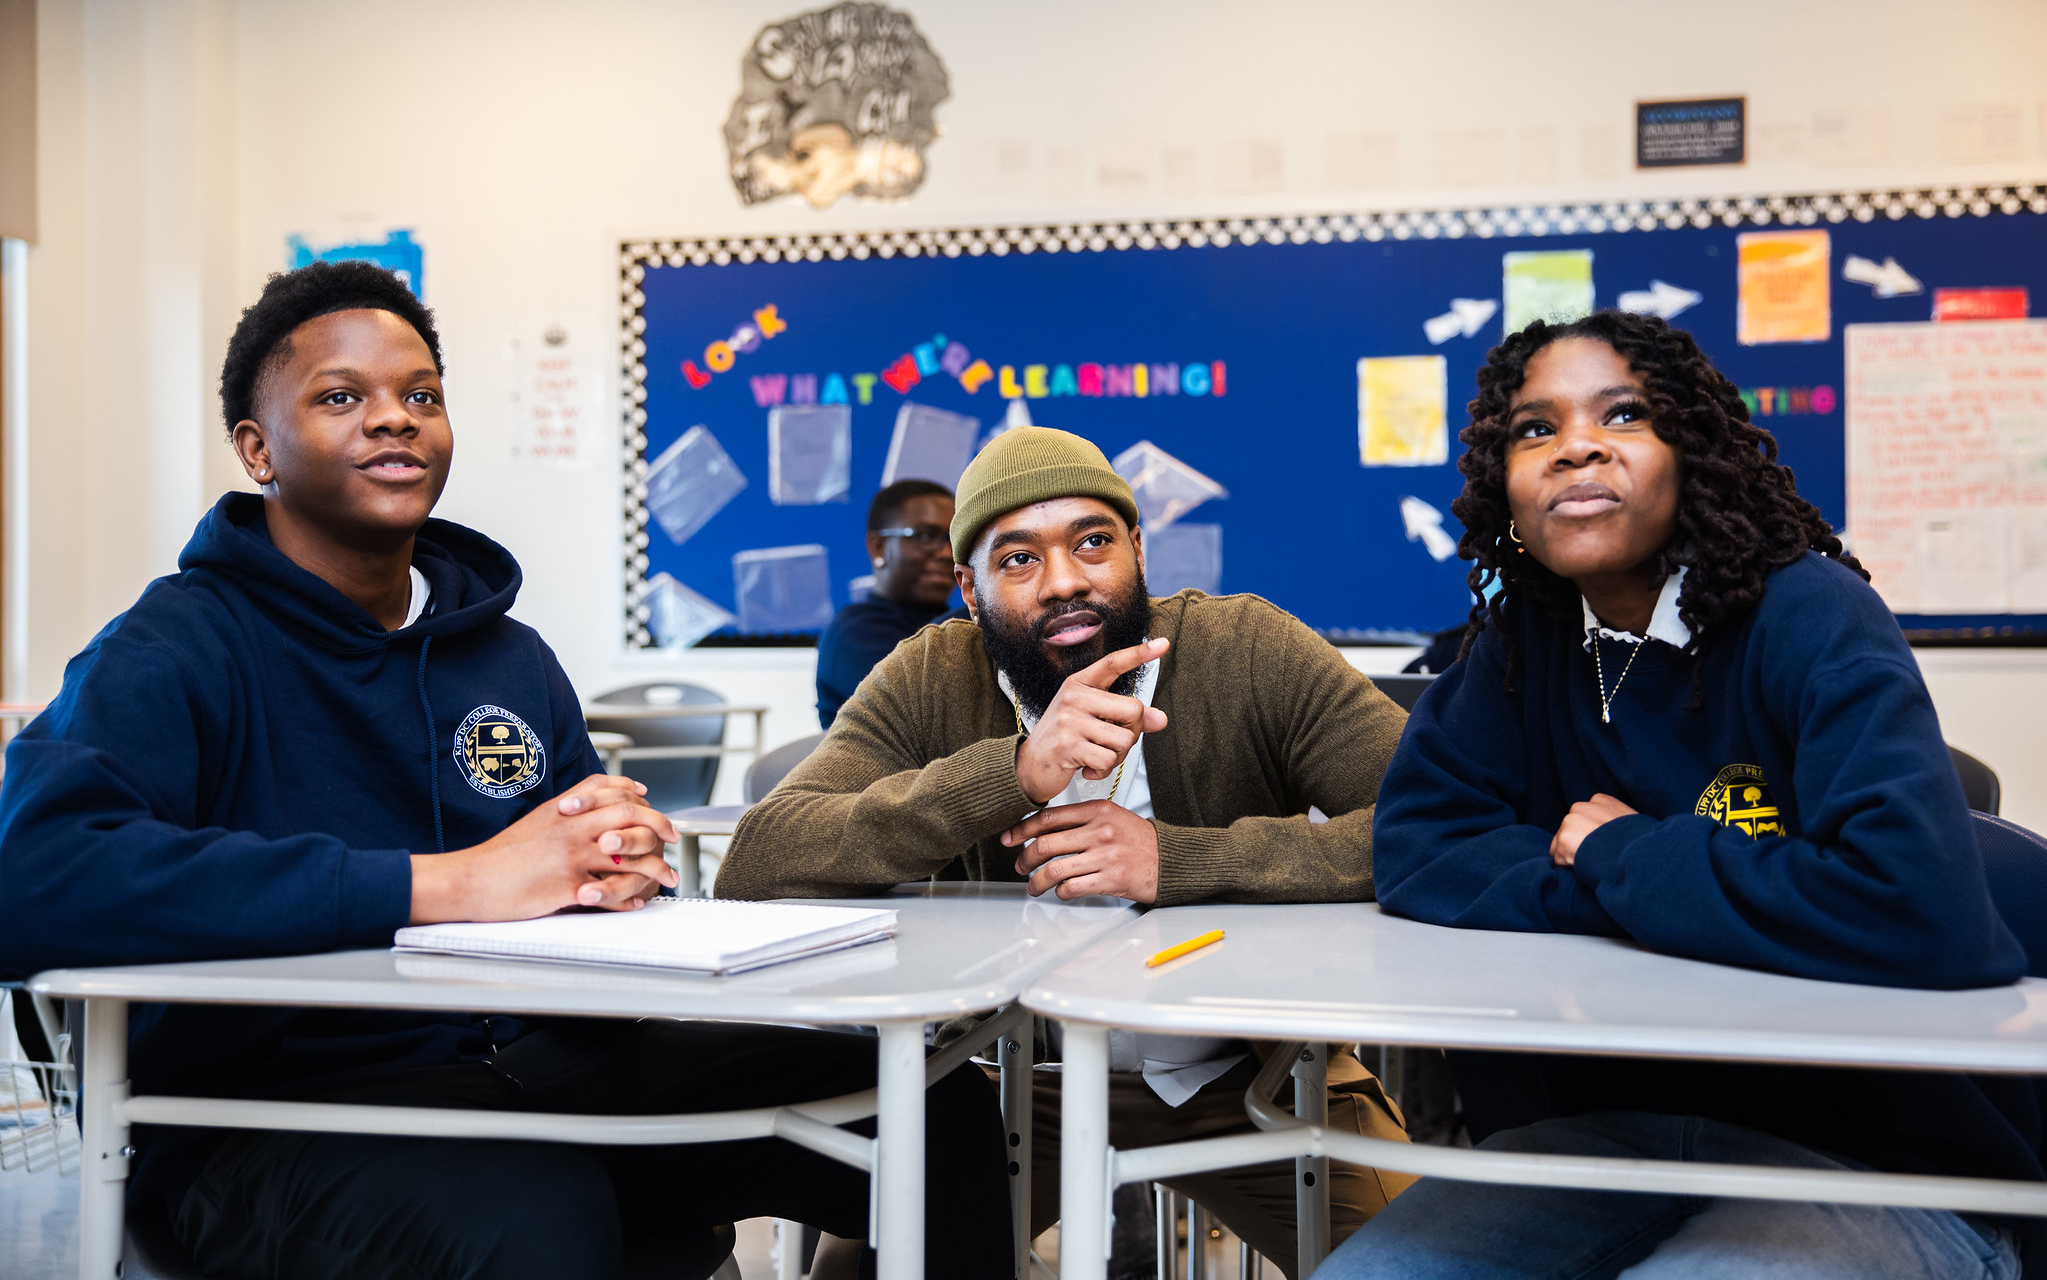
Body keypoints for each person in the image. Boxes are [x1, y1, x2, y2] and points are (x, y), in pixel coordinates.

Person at [0, 262, 1011, 1280]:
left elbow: (568, 877)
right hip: (276, 1111)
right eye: (341, 396)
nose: (394, 418)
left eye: (421, 395)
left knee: (930, 1110)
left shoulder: (507, 654)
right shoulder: (177, 644)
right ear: (257, 448)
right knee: (538, 1207)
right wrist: (446, 883)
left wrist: (613, 865)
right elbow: (31, 880)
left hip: (544, 1070)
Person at [1322, 311, 2033, 1280]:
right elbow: (1419, 844)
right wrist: (1610, 889)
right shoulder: (1523, 640)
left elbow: (1918, 903)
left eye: (1624, 414)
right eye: (1535, 429)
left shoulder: (1809, 611)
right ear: (1504, 483)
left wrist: (1625, 855)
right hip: (1610, 1133)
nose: (1575, 444)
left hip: (1875, 1155)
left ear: (1691, 450)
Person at [718, 425, 1417, 1275]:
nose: (1066, 582)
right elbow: (759, 857)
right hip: (1008, 1086)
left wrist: (1178, 861)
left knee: (1426, 1260)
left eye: (1093, 542)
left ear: (1138, 550)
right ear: (969, 592)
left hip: (1254, 1078)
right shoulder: (929, 676)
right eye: (1018, 560)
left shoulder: (1246, 648)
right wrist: (1008, 772)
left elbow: (1435, 825)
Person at [815, 478, 961, 729]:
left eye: (954, 538)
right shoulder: (855, 634)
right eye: (925, 536)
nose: (946, 553)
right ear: (878, 547)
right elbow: (933, 715)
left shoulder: (956, 626)